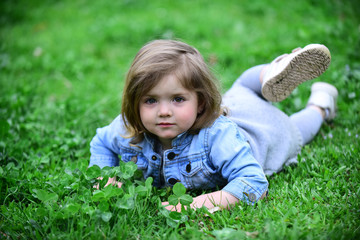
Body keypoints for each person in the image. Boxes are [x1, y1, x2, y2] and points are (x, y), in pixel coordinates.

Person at [89, 39, 338, 211]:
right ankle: (268, 72)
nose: (164, 111)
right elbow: (101, 143)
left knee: (296, 131)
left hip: (262, 129)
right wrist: (105, 177)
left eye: (177, 99)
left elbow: (254, 183)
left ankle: (319, 104)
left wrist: (200, 203)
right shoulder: (131, 128)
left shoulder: (217, 135)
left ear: (201, 103)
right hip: (234, 102)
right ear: (135, 102)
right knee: (241, 87)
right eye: (151, 100)